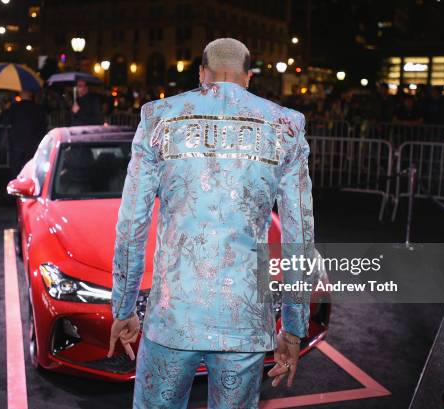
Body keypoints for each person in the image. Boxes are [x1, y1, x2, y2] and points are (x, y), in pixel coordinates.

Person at [108, 38, 315, 408]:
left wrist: (123, 307)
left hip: (173, 317)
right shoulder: (286, 126)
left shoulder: (159, 118)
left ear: (201, 74)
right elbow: (300, 233)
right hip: (245, 321)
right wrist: (295, 327)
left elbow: (132, 223)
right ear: (248, 78)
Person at [0, 90, 47, 179]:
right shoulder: (37, 108)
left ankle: (16, 186)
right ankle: (29, 184)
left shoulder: (15, 107)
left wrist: (6, 110)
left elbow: (4, 122)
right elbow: (43, 125)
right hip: (33, 143)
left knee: (15, 167)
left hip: (17, 142)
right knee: (30, 166)